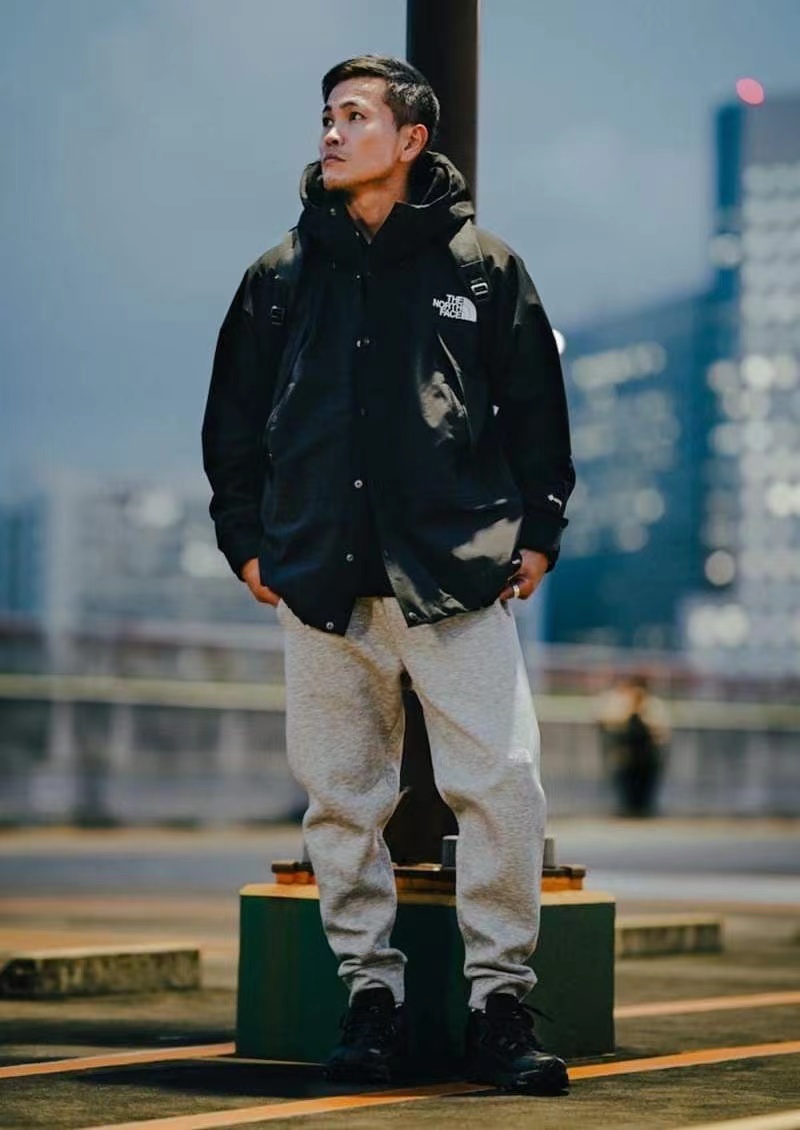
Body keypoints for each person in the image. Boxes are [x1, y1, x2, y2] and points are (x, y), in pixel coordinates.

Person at [202, 55, 575, 1095]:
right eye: (327, 115)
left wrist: (538, 531)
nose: (331, 131)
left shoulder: (483, 269)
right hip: (321, 576)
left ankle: (499, 1005)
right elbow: (233, 422)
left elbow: (536, 413)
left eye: (355, 116)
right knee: (339, 799)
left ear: (409, 139)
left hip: (453, 573)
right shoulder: (279, 276)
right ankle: (370, 998)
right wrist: (246, 540)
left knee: (501, 782)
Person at [597, 674, 671, 817]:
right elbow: (606, 722)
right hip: (626, 758)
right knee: (626, 792)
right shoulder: (619, 704)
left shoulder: (653, 705)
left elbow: (662, 731)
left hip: (647, 758)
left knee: (645, 793)